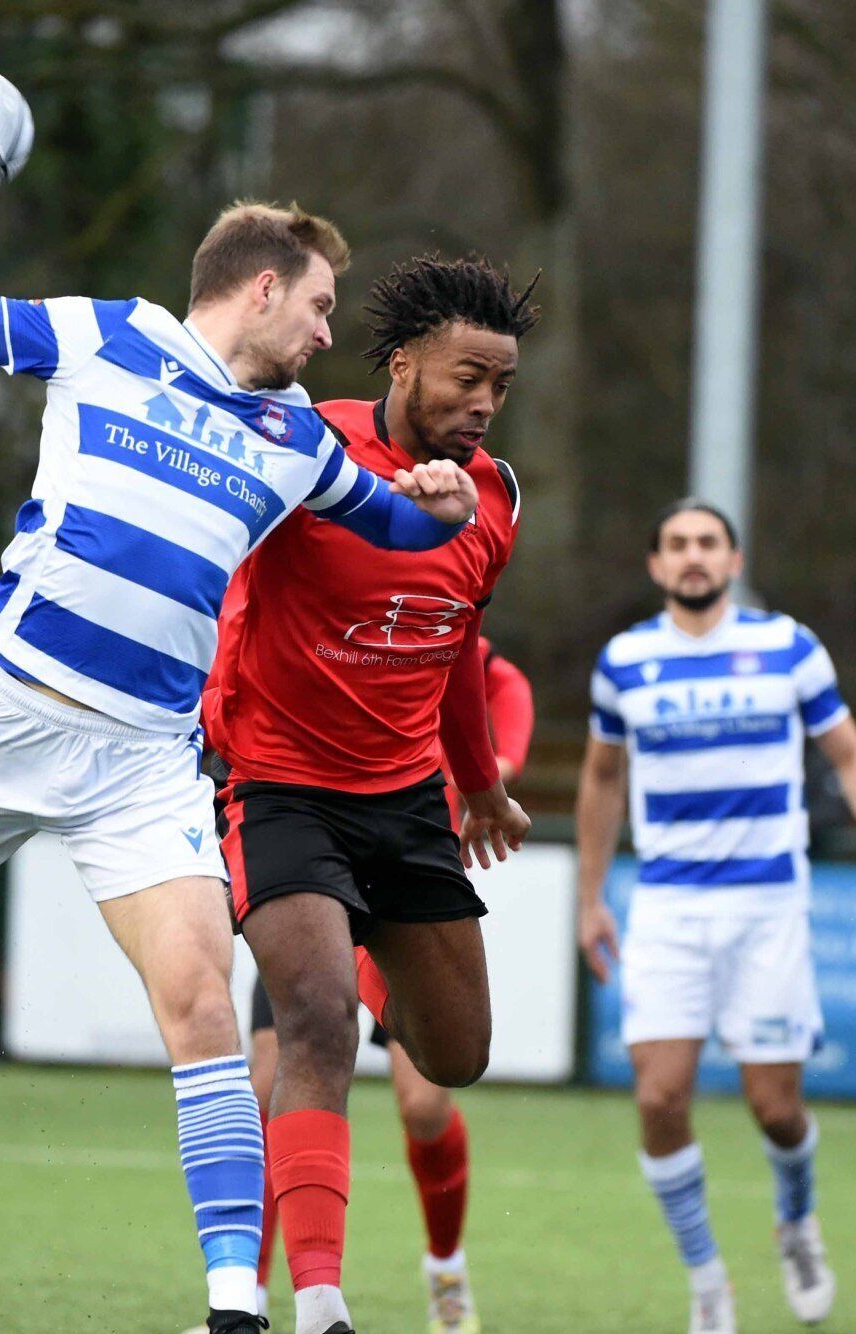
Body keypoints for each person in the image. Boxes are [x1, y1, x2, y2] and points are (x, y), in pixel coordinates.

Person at [0, 91, 479, 1334]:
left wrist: (439, 504)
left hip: (143, 764)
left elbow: (392, 523)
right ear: (263, 287)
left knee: (204, 1007)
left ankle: (232, 1306)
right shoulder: (102, 337)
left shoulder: (293, 440)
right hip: (5, 715)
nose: (330, 331)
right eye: (323, 304)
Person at [201, 256, 537, 1334]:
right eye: (466, 378)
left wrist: (479, 786)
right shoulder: (305, 446)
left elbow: (458, 644)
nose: (484, 403)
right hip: (279, 788)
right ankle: (318, 1304)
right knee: (314, 1024)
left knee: (458, 1057)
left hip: (405, 805)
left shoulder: (498, 497)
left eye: (500, 385)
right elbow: (209, 574)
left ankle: (369, 951)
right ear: (401, 365)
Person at [574, 500, 856, 1334]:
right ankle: (708, 1280)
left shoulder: (789, 647)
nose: (693, 556)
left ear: (734, 558)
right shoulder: (625, 661)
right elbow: (602, 779)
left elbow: (850, 755)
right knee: (658, 1098)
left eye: (708, 543)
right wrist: (590, 898)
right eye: (677, 544)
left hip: (767, 905)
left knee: (775, 1109)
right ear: (656, 565)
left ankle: (797, 1222)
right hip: (668, 904)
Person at [233, 637, 533, 1334]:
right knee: (268, 1080)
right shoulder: (308, 625)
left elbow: (499, 711)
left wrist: (489, 774)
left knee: (425, 1104)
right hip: (312, 867)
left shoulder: (444, 641)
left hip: (401, 878)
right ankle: (250, 1295)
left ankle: (445, 1268)